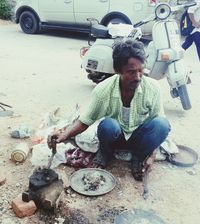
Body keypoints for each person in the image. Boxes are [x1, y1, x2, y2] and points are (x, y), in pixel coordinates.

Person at [48, 39, 171, 181]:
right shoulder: (103, 89)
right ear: (118, 70)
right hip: (114, 138)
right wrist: (65, 134)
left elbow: (158, 125)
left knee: (162, 124)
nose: (137, 77)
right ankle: (105, 153)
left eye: (140, 70)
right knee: (108, 125)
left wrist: (152, 155)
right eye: (131, 72)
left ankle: (138, 157)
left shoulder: (153, 87)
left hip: (139, 138)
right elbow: (86, 120)